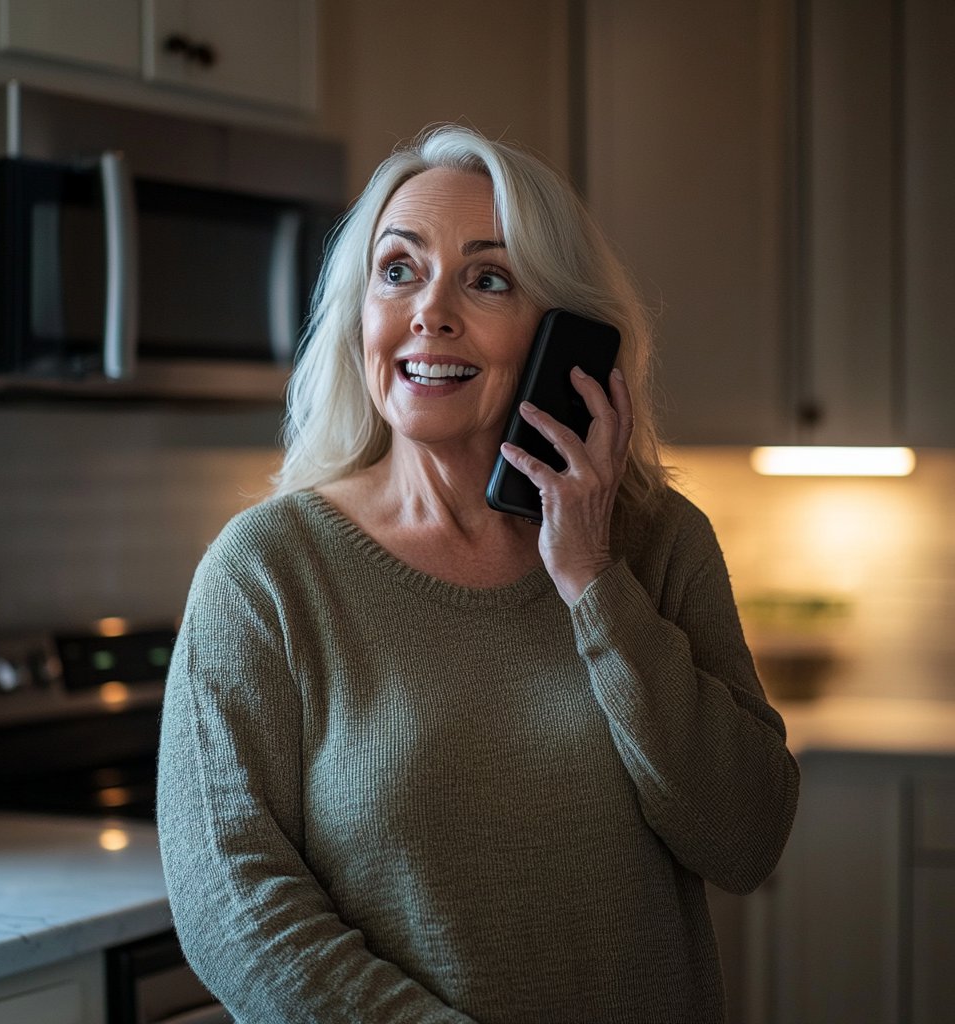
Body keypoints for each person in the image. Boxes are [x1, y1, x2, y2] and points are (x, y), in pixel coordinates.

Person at [157, 124, 800, 1024]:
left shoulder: (657, 546)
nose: (431, 311)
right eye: (398, 270)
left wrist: (592, 582)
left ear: (568, 338)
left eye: (488, 278)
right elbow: (234, 907)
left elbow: (746, 838)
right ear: (361, 317)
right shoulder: (266, 574)